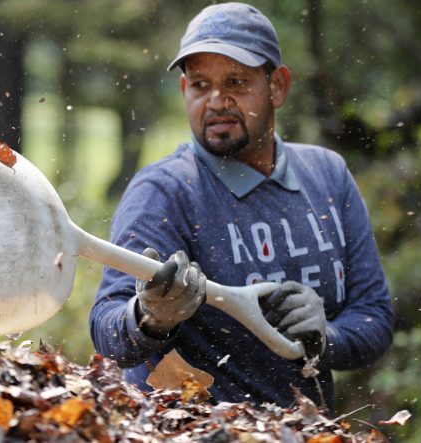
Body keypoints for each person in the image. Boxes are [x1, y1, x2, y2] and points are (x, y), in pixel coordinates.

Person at [89, 2, 394, 413]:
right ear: (185, 92)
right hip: (184, 432)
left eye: (236, 81)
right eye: (200, 85)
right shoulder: (164, 192)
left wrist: (326, 338)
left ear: (278, 86)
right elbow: (107, 329)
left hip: (304, 433)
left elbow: (374, 317)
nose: (216, 101)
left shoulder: (328, 175)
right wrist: (151, 317)